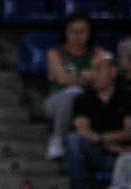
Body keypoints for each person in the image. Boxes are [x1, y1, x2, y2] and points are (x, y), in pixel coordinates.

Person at [65, 52, 131, 189]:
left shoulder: (130, 97)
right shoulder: (83, 99)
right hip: (99, 152)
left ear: (113, 72)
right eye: (92, 69)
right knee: (74, 140)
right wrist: (106, 142)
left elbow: (129, 132)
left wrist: (101, 138)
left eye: (98, 69)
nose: (93, 74)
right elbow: (83, 132)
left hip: (124, 154)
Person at [43, 13, 98, 162]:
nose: (77, 36)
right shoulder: (55, 53)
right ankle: (58, 140)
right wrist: (84, 75)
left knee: (79, 94)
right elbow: (62, 79)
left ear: (89, 33)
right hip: (57, 100)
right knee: (71, 95)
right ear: (65, 33)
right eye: (73, 31)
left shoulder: (97, 53)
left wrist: (74, 76)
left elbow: (99, 78)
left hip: (87, 100)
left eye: (82, 31)